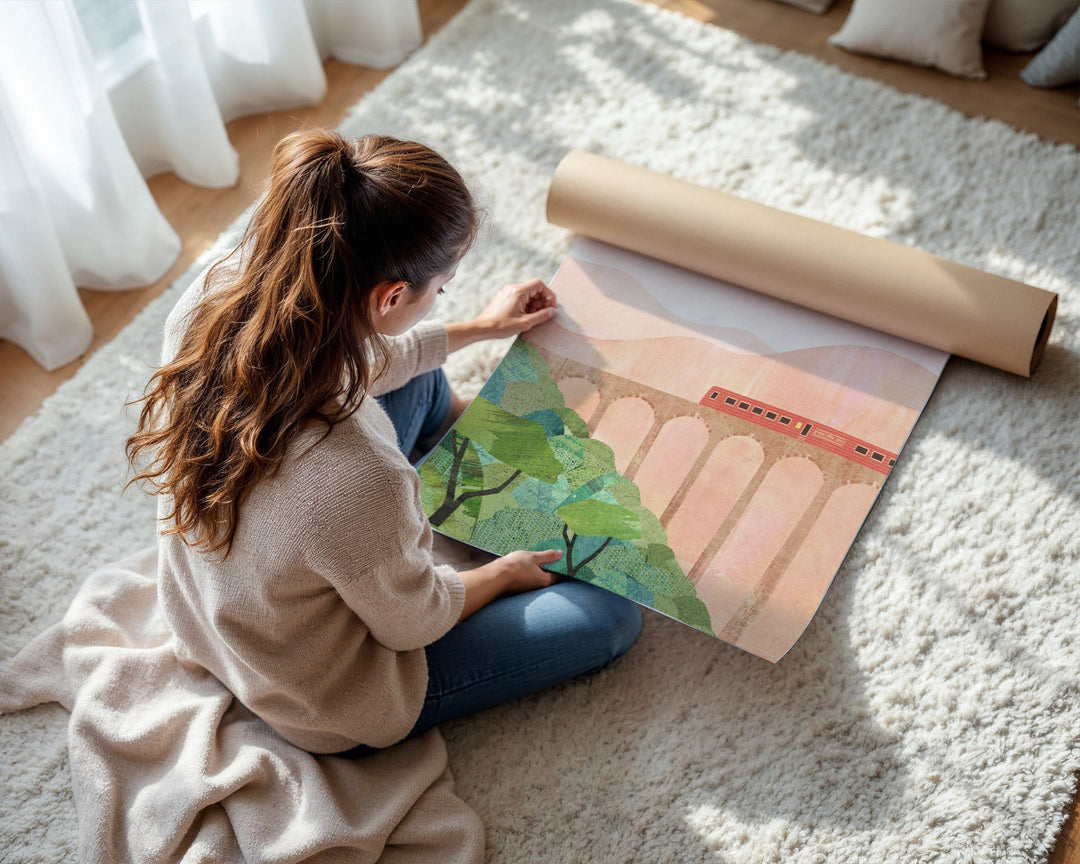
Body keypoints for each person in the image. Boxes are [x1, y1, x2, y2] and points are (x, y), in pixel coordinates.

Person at [126, 129, 641, 757]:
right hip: (321, 693)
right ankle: (468, 499)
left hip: (218, 610)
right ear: (392, 295)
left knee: (420, 378)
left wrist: (481, 327)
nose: (442, 298)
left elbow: (367, 359)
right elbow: (413, 622)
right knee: (609, 619)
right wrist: (504, 573)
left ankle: (463, 455)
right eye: (441, 289)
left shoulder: (221, 289)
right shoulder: (358, 476)